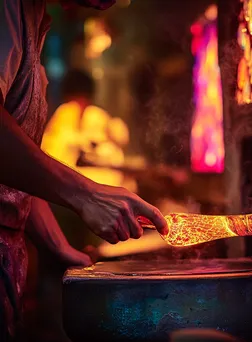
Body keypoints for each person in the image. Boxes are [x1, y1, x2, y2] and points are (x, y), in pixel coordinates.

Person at [0, 0, 167, 341]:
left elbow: (16, 169)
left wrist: (55, 243)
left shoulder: (32, 23)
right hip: (71, 210)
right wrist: (86, 194)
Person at [42, 68, 134, 189]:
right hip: (74, 186)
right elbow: (51, 153)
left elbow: (119, 138)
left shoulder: (97, 116)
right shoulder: (65, 113)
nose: (80, 104)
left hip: (100, 184)